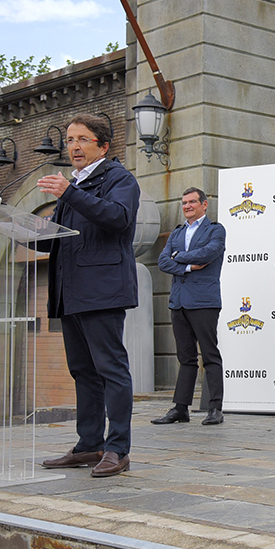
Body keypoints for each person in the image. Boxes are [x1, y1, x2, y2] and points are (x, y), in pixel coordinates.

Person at [38, 114, 139, 478]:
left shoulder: (119, 179)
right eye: (69, 140)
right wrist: (12, 227)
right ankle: (88, 444)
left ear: (103, 146)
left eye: (83, 139)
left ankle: (117, 448)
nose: (74, 146)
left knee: (111, 369)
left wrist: (69, 193)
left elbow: (117, 218)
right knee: (83, 371)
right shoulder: (76, 185)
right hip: (71, 291)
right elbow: (56, 238)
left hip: (102, 290)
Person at [152, 187, 226, 426]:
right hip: (179, 301)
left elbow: (208, 253)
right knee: (185, 358)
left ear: (204, 204)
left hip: (204, 301)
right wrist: (187, 266)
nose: (187, 206)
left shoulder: (215, 230)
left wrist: (178, 256)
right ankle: (180, 408)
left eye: (192, 202)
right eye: (184, 203)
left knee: (210, 355)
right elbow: (163, 261)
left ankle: (215, 408)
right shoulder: (177, 232)